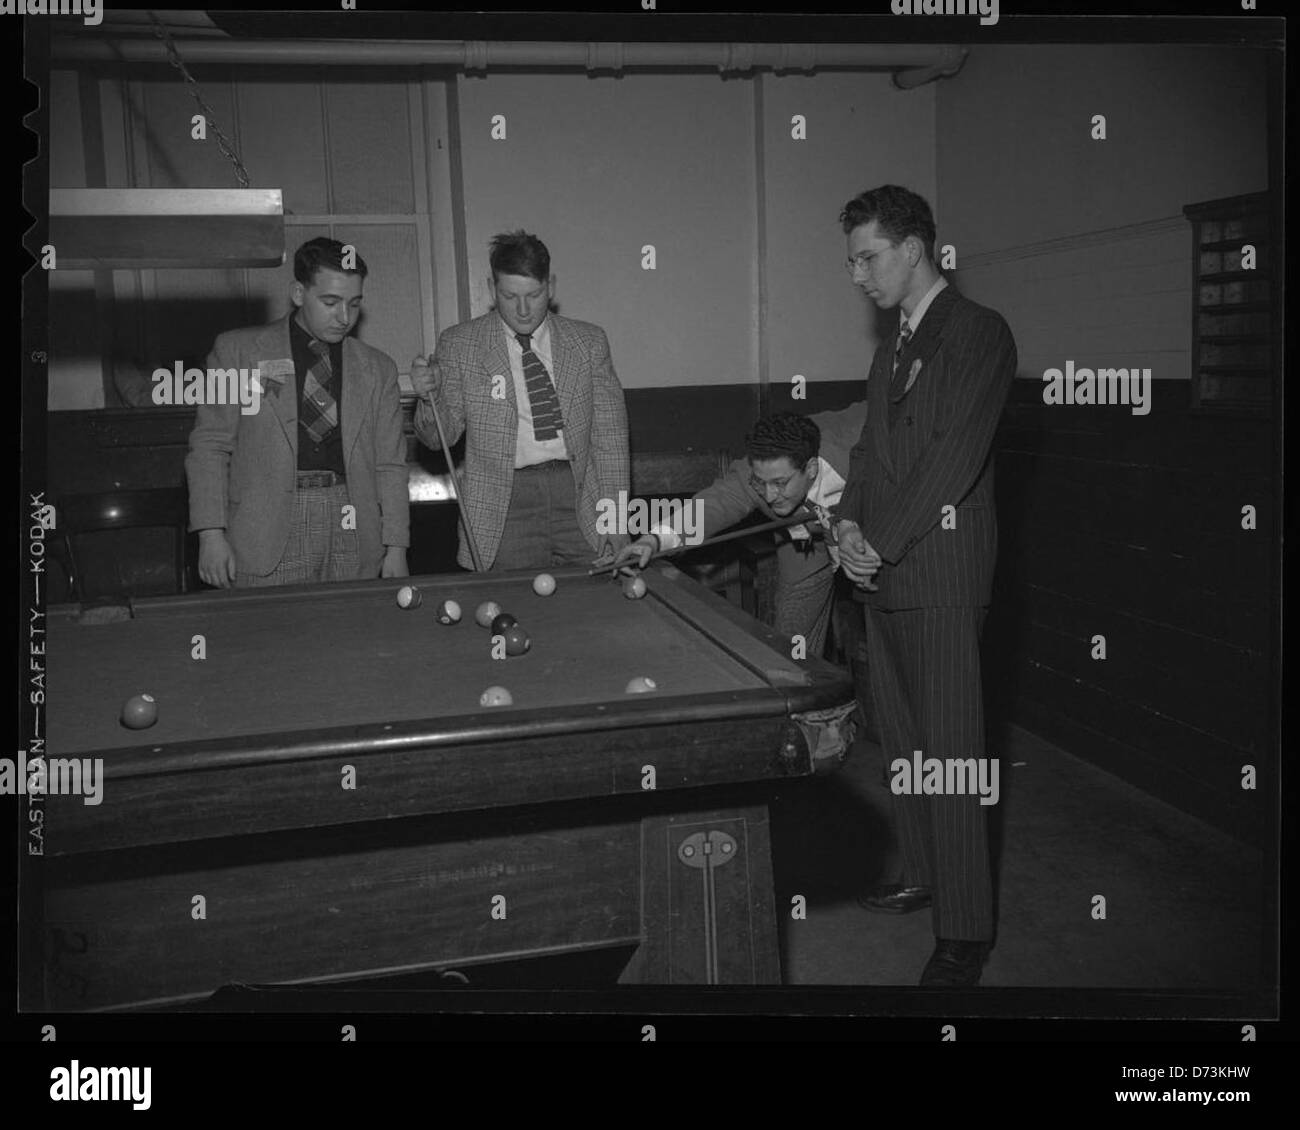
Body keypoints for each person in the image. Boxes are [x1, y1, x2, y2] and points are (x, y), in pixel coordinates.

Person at [831, 184, 1017, 987]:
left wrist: (880, 540)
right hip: (881, 569)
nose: (858, 275)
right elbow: (872, 455)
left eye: (867, 257)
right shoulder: (890, 348)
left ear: (914, 249)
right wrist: (844, 525)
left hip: (938, 572)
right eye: (852, 260)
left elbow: (953, 457)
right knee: (903, 748)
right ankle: (920, 870)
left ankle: (966, 929)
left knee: (952, 755)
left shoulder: (980, 334)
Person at [186, 237, 410, 587]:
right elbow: (210, 448)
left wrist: (396, 546)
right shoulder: (238, 353)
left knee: (351, 637)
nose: (344, 317)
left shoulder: (378, 368)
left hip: (353, 527)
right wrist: (210, 535)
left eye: (354, 304)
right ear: (298, 293)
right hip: (265, 534)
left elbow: (390, 465)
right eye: (330, 302)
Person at [409, 230, 629, 570]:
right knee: (512, 610)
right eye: (510, 296)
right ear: (491, 289)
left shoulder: (589, 343)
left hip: (581, 499)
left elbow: (610, 441)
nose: (523, 310)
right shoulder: (460, 345)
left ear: (551, 287)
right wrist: (428, 397)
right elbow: (441, 438)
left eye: (534, 294)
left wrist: (616, 519)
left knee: (599, 602)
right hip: (504, 506)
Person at [613, 412, 858, 658]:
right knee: (792, 644)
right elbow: (713, 505)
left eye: (780, 483)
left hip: (879, 526)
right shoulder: (751, 477)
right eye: (762, 483)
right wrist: (652, 541)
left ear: (812, 468)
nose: (769, 496)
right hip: (805, 547)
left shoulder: (862, 448)